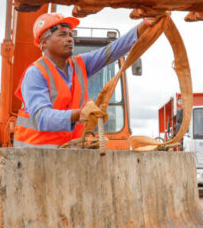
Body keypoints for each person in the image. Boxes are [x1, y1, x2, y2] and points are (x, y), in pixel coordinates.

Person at [13, 13, 157, 148]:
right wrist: (79, 114)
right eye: (62, 35)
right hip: (35, 159)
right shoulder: (35, 73)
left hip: (68, 154)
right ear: (44, 43)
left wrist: (146, 24)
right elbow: (42, 118)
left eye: (70, 35)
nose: (69, 39)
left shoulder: (80, 65)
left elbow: (113, 50)